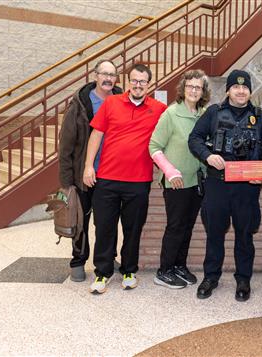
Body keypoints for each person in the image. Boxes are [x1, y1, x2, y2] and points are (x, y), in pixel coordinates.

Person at [188, 69, 262, 301]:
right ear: (228, 90)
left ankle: (243, 279)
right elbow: (194, 139)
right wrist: (207, 156)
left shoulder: (260, 116)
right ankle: (211, 277)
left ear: (250, 91)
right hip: (217, 184)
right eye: (236, 87)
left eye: (245, 87)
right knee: (214, 232)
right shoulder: (213, 113)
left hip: (247, 186)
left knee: (245, 235)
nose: (240, 91)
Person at [83, 63, 167, 294]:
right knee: (105, 228)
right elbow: (96, 135)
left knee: (133, 228)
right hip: (107, 179)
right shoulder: (112, 103)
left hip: (139, 181)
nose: (138, 85)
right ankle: (102, 273)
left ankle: (129, 270)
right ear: (128, 82)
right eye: (134, 80)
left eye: (143, 81)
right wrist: (89, 166)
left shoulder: (159, 109)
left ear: (149, 84)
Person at [59, 59, 122, 282]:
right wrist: (67, 183)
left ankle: (106, 258)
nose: (108, 78)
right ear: (95, 75)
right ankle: (78, 260)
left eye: (112, 74)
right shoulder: (79, 104)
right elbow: (66, 145)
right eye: (104, 73)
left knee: (107, 221)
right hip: (83, 175)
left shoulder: (122, 100)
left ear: (116, 78)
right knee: (80, 221)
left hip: (111, 175)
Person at [149, 69, 210, 289]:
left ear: (203, 91)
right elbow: (154, 147)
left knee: (187, 226)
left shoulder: (204, 114)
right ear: (183, 89)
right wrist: (169, 171)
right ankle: (164, 270)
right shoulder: (171, 114)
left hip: (196, 182)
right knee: (175, 227)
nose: (194, 90)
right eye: (190, 86)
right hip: (176, 182)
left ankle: (179, 266)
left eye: (198, 87)